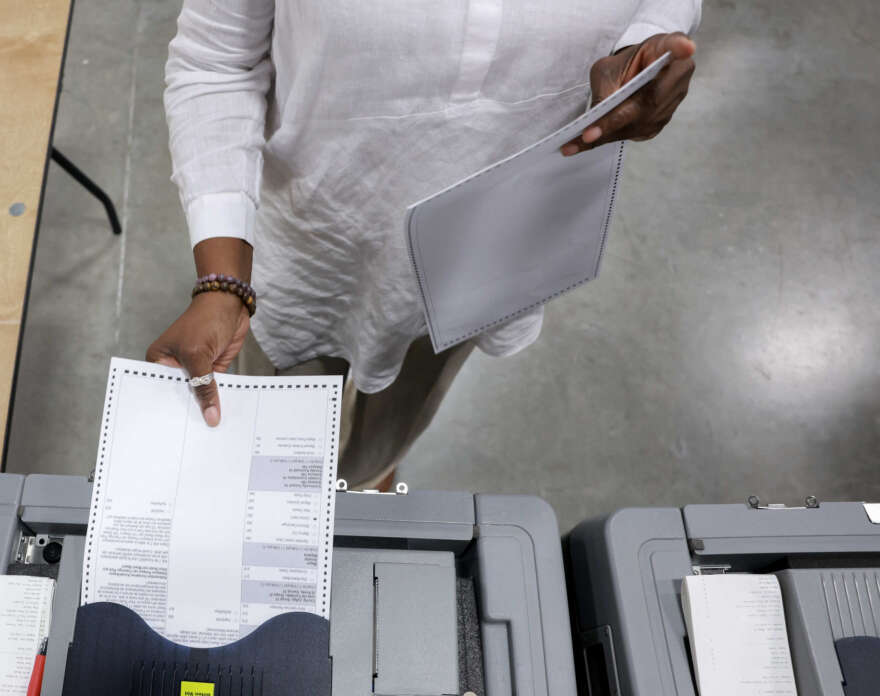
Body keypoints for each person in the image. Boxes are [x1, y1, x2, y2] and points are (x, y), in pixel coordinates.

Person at [147, 0, 699, 489]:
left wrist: (644, 48)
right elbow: (218, 61)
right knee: (267, 438)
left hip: (486, 248)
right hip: (312, 241)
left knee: (394, 420)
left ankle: (366, 480)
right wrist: (223, 282)